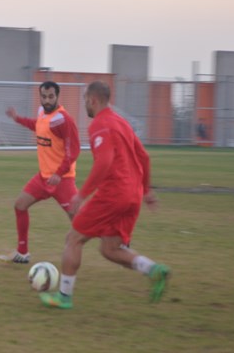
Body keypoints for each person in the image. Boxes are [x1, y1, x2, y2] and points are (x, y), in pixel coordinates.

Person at [39, 81, 169, 309]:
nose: (84, 105)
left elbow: (106, 161)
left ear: (93, 100)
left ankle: (64, 296)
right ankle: (154, 270)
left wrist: (82, 194)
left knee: (74, 238)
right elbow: (144, 157)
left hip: (114, 193)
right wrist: (146, 190)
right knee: (110, 249)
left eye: (85, 100)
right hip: (133, 195)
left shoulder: (99, 124)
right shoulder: (122, 123)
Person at [0, 81, 81, 264]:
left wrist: (59, 173)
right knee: (20, 205)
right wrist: (17, 118)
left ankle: (117, 240)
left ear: (57, 96)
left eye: (51, 96)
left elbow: (74, 151)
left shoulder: (63, 119)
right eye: (44, 97)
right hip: (43, 177)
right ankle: (23, 252)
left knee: (81, 221)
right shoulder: (42, 113)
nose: (47, 100)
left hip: (62, 180)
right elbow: (37, 126)